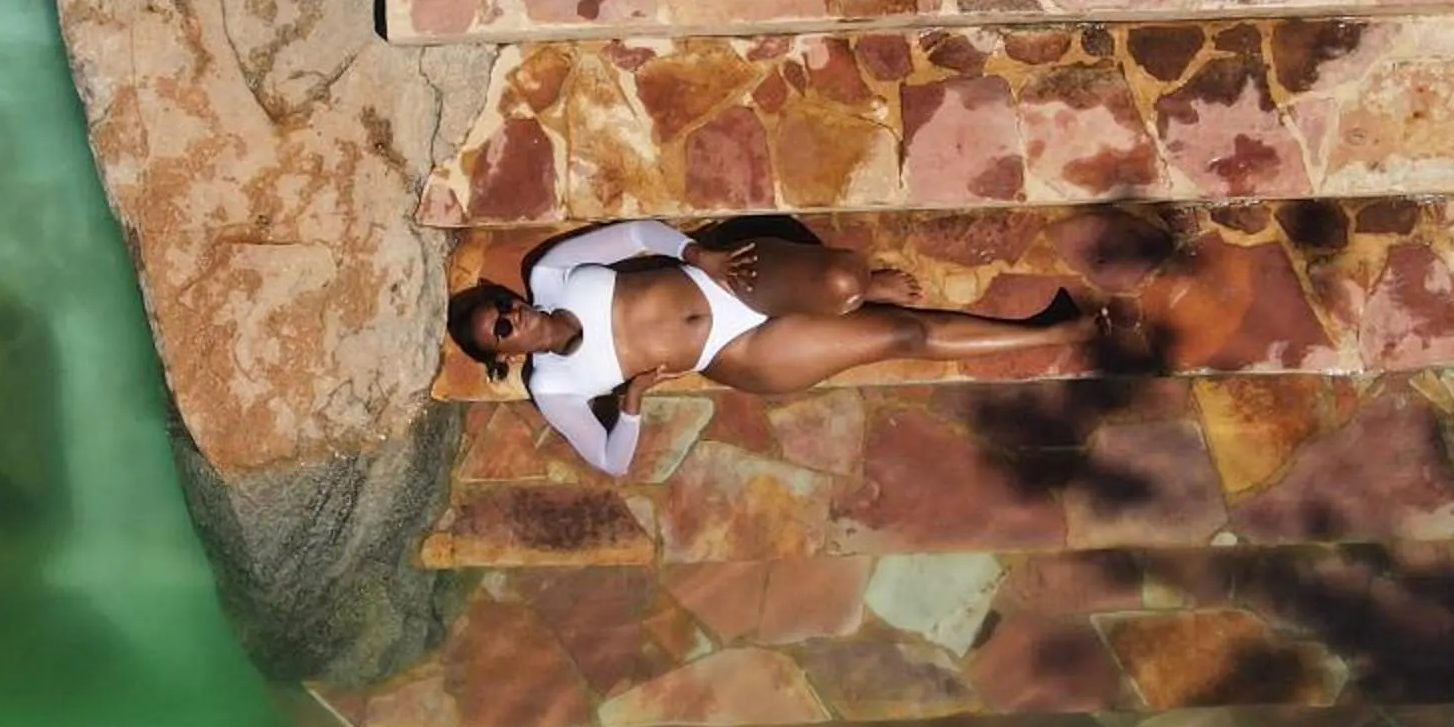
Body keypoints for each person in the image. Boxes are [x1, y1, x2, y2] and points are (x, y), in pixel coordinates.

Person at [447, 218, 1102, 476]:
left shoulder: (550, 273)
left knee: (846, 284)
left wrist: (699, 252)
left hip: (723, 278)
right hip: (740, 352)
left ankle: (859, 290)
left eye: (501, 303)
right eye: (501, 328)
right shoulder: (553, 388)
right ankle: (1055, 331)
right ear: (505, 355)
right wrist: (634, 400)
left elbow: (634, 236)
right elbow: (612, 461)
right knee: (902, 336)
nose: (512, 312)